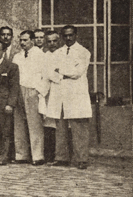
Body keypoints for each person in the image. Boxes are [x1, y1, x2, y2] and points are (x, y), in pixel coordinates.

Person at [44, 26, 92, 170]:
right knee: (61, 127)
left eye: (71, 35)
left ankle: (82, 159)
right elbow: (50, 72)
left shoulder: (83, 52)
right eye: (65, 36)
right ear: (62, 37)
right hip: (60, 92)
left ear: (76, 35)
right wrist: (62, 74)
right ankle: (62, 157)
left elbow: (78, 72)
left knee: (79, 126)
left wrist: (61, 71)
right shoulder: (57, 52)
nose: (68, 38)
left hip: (76, 93)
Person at [12, 30, 47, 166]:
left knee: (35, 124)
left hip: (33, 90)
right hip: (19, 90)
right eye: (21, 40)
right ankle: (21, 155)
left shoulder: (40, 55)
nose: (22, 43)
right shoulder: (17, 57)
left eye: (25, 40)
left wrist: (38, 91)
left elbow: (46, 76)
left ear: (32, 40)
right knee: (19, 123)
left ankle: (37, 156)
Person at [42, 30, 60, 163]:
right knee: (48, 124)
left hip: (60, 92)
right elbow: (44, 75)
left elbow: (60, 76)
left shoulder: (63, 54)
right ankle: (49, 155)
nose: (52, 44)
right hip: (46, 92)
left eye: (54, 41)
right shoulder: (43, 56)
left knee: (61, 125)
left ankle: (61, 155)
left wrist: (55, 74)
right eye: (49, 41)